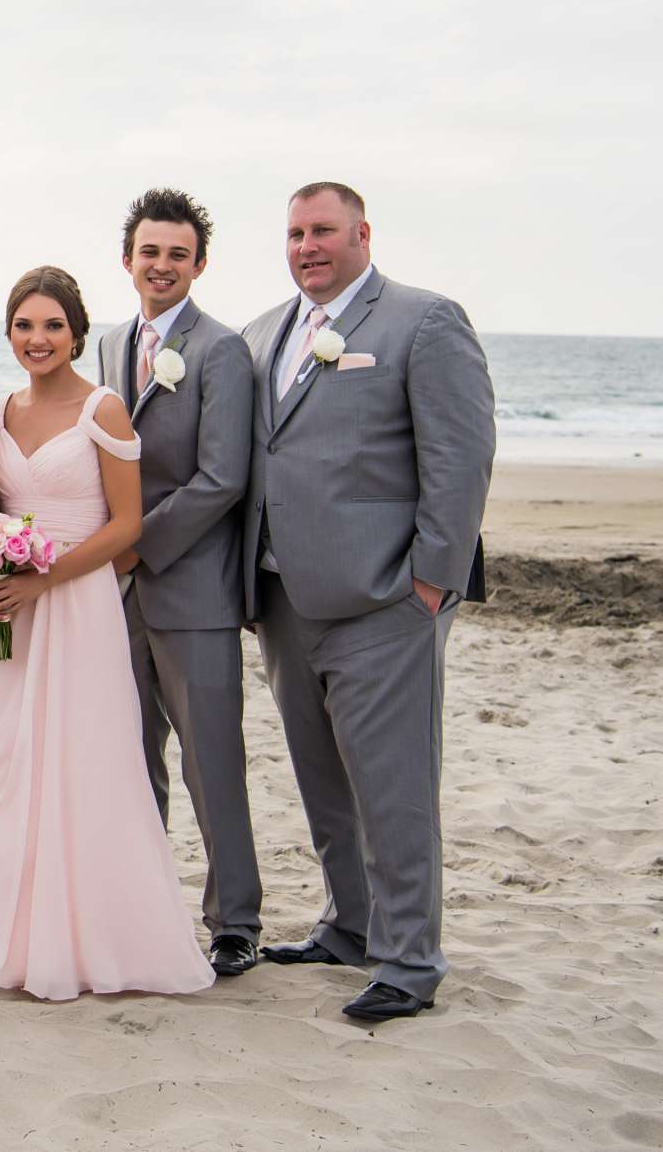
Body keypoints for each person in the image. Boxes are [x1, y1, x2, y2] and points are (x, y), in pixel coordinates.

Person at [239, 182, 496, 1023]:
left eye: (323, 231)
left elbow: (460, 458)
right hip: (283, 598)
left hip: (387, 600)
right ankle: (349, 925)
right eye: (294, 233)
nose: (307, 245)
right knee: (323, 782)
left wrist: (430, 583)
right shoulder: (262, 334)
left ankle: (410, 959)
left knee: (394, 787)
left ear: (362, 234)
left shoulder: (422, 321)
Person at [0, 267, 213, 1002]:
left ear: (76, 331)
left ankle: (101, 938)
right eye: (22, 326)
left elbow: (128, 525)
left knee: (85, 764)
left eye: (51, 326)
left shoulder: (103, 410)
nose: (36, 340)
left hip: (78, 607)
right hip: (15, 612)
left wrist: (46, 577)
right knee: (15, 763)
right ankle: (24, 935)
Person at [96, 188, 261, 978]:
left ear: (199, 264)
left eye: (176, 253)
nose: (161, 265)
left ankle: (235, 918)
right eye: (149, 251)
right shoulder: (104, 344)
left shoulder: (221, 350)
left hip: (189, 585)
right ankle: (146, 908)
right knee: (130, 757)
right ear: (127, 259)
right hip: (112, 594)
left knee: (210, 759)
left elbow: (222, 477)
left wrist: (134, 546)